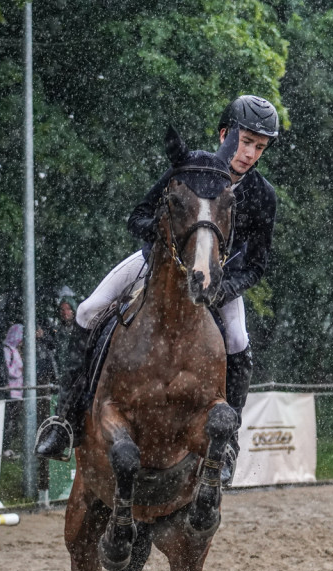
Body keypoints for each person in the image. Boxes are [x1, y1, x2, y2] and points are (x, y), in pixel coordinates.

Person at [35, 95, 279, 484]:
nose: (250, 153)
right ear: (225, 135)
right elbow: (138, 217)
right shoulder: (190, 168)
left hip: (219, 281)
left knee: (237, 338)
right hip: (159, 264)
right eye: (245, 141)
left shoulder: (263, 196)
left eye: (259, 147)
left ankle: (228, 441)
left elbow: (256, 266)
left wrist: (221, 289)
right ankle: (64, 419)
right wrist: (168, 241)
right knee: (86, 311)